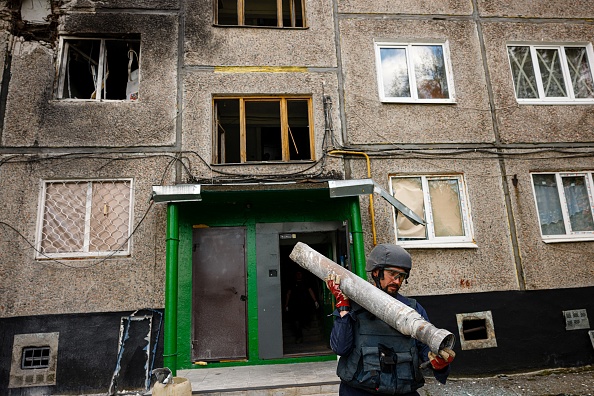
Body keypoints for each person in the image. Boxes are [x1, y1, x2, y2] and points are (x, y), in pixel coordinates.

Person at [327, 243, 455, 395]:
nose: (397, 281)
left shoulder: (412, 309)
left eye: (402, 276)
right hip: (359, 392)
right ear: (376, 272)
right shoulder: (354, 306)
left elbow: (426, 350)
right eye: (392, 274)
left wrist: (439, 363)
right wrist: (343, 307)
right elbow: (340, 348)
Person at [285, 270, 320, 343]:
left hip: (304, 304)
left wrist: (315, 301)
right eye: (297, 273)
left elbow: (310, 291)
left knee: (304, 316)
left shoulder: (305, 282)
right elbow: (288, 294)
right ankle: (299, 336)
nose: (299, 275)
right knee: (296, 321)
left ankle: (305, 325)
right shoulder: (292, 283)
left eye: (300, 273)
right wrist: (286, 304)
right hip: (294, 305)